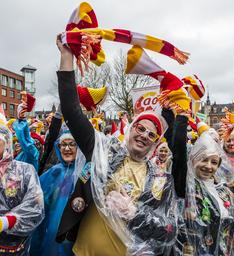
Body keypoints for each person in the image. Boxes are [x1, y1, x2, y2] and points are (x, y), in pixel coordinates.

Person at [56, 35, 188, 256]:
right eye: (140, 128)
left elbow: (169, 230)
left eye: (152, 134)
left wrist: (133, 212)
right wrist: (66, 56)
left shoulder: (160, 179)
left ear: (156, 143)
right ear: (130, 130)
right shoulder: (105, 152)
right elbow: (72, 112)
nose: (145, 135)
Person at [184, 132, 234, 255]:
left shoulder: (223, 190)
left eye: (214, 162)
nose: (208, 166)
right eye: (204, 159)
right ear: (193, 159)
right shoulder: (186, 188)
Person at [0, 114, 44, 255]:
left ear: (6, 141)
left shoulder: (24, 170)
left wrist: (8, 221)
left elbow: (35, 206)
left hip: (13, 245)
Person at [31, 131, 79, 256]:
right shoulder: (54, 172)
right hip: (51, 237)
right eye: (63, 145)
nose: (67, 148)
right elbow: (38, 202)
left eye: (72, 144)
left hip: (75, 240)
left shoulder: (84, 173)